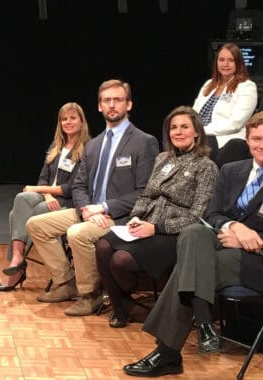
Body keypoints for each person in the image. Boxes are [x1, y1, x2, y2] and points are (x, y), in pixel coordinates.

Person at [123, 112, 263, 377]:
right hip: (217, 245)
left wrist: (252, 240)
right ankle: (203, 324)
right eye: (257, 139)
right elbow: (212, 215)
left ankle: (170, 351)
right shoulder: (231, 171)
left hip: (260, 261)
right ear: (247, 140)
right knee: (193, 232)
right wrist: (234, 227)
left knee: (187, 268)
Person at [25, 79, 159, 316]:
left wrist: (104, 207)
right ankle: (66, 282)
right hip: (88, 211)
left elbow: (144, 191)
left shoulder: (144, 142)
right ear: (99, 107)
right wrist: (87, 208)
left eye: (117, 100)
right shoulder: (93, 144)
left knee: (77, 233)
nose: (112, 105)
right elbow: (78, 185)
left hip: (120, 215)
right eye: (107, 101)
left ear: (129, 104)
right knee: (36, 225)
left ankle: (91, 295)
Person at [96, 106, 218, 328]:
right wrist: (135, 216)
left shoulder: (206, 167)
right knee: (103, 245)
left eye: (184, 127)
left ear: (197, 132)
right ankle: (121, 306)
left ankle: (127, 301)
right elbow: (147, 195)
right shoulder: (163, 158)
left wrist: (156, 228)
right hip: (146, 222)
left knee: (120, 260)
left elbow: (197, 216)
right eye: (173, 127)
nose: (178, 132)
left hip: (173, 232)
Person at [0, 102, 90, 292]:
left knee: (17, 215)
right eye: (64, 119)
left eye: (72, 118)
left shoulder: (87, 148)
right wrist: (45, 194)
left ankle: (17, 271)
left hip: (68, 201)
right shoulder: (57, 146)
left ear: (82, 121)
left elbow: (73, 187)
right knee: (22, 199)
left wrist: (41, 191)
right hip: (49, 196)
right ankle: (18, 258)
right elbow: (43, 178)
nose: (68, 122)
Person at [192, 43, 257, 166]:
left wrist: (201, 131)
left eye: (231, 60)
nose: (225, 64)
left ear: (238, 63)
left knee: (204, 143)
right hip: (198, 133)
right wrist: (189, 128)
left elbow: (235, 123)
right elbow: (194, 113)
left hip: (222, 137)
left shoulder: (246, 86)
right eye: (221, 60)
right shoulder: (209, 84)